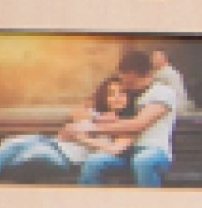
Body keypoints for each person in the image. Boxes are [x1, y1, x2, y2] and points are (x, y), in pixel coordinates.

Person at [0, 73, 132, 184]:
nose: (117, 97)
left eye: (122, 93)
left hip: (63, 159)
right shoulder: (95, 112)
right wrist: (94, 120)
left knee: (29, 157)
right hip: (49, 142)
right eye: (111, 94)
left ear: (129, 96)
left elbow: (114, 149)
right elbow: (71, 123)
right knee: (12, 143)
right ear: (105, 97)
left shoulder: (129, 123)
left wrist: (82, 138)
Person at [78, 46, 183, 186]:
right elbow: (93, 102)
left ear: (137, 74)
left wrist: (91, 128)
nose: (124, 84)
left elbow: (138, 125)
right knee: (94, 162)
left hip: (154, 151)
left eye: (127, 80)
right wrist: (88, 115)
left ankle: (149, 200)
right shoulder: (130, 93)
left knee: (143, 161)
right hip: (126, 152)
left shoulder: (162, 92)